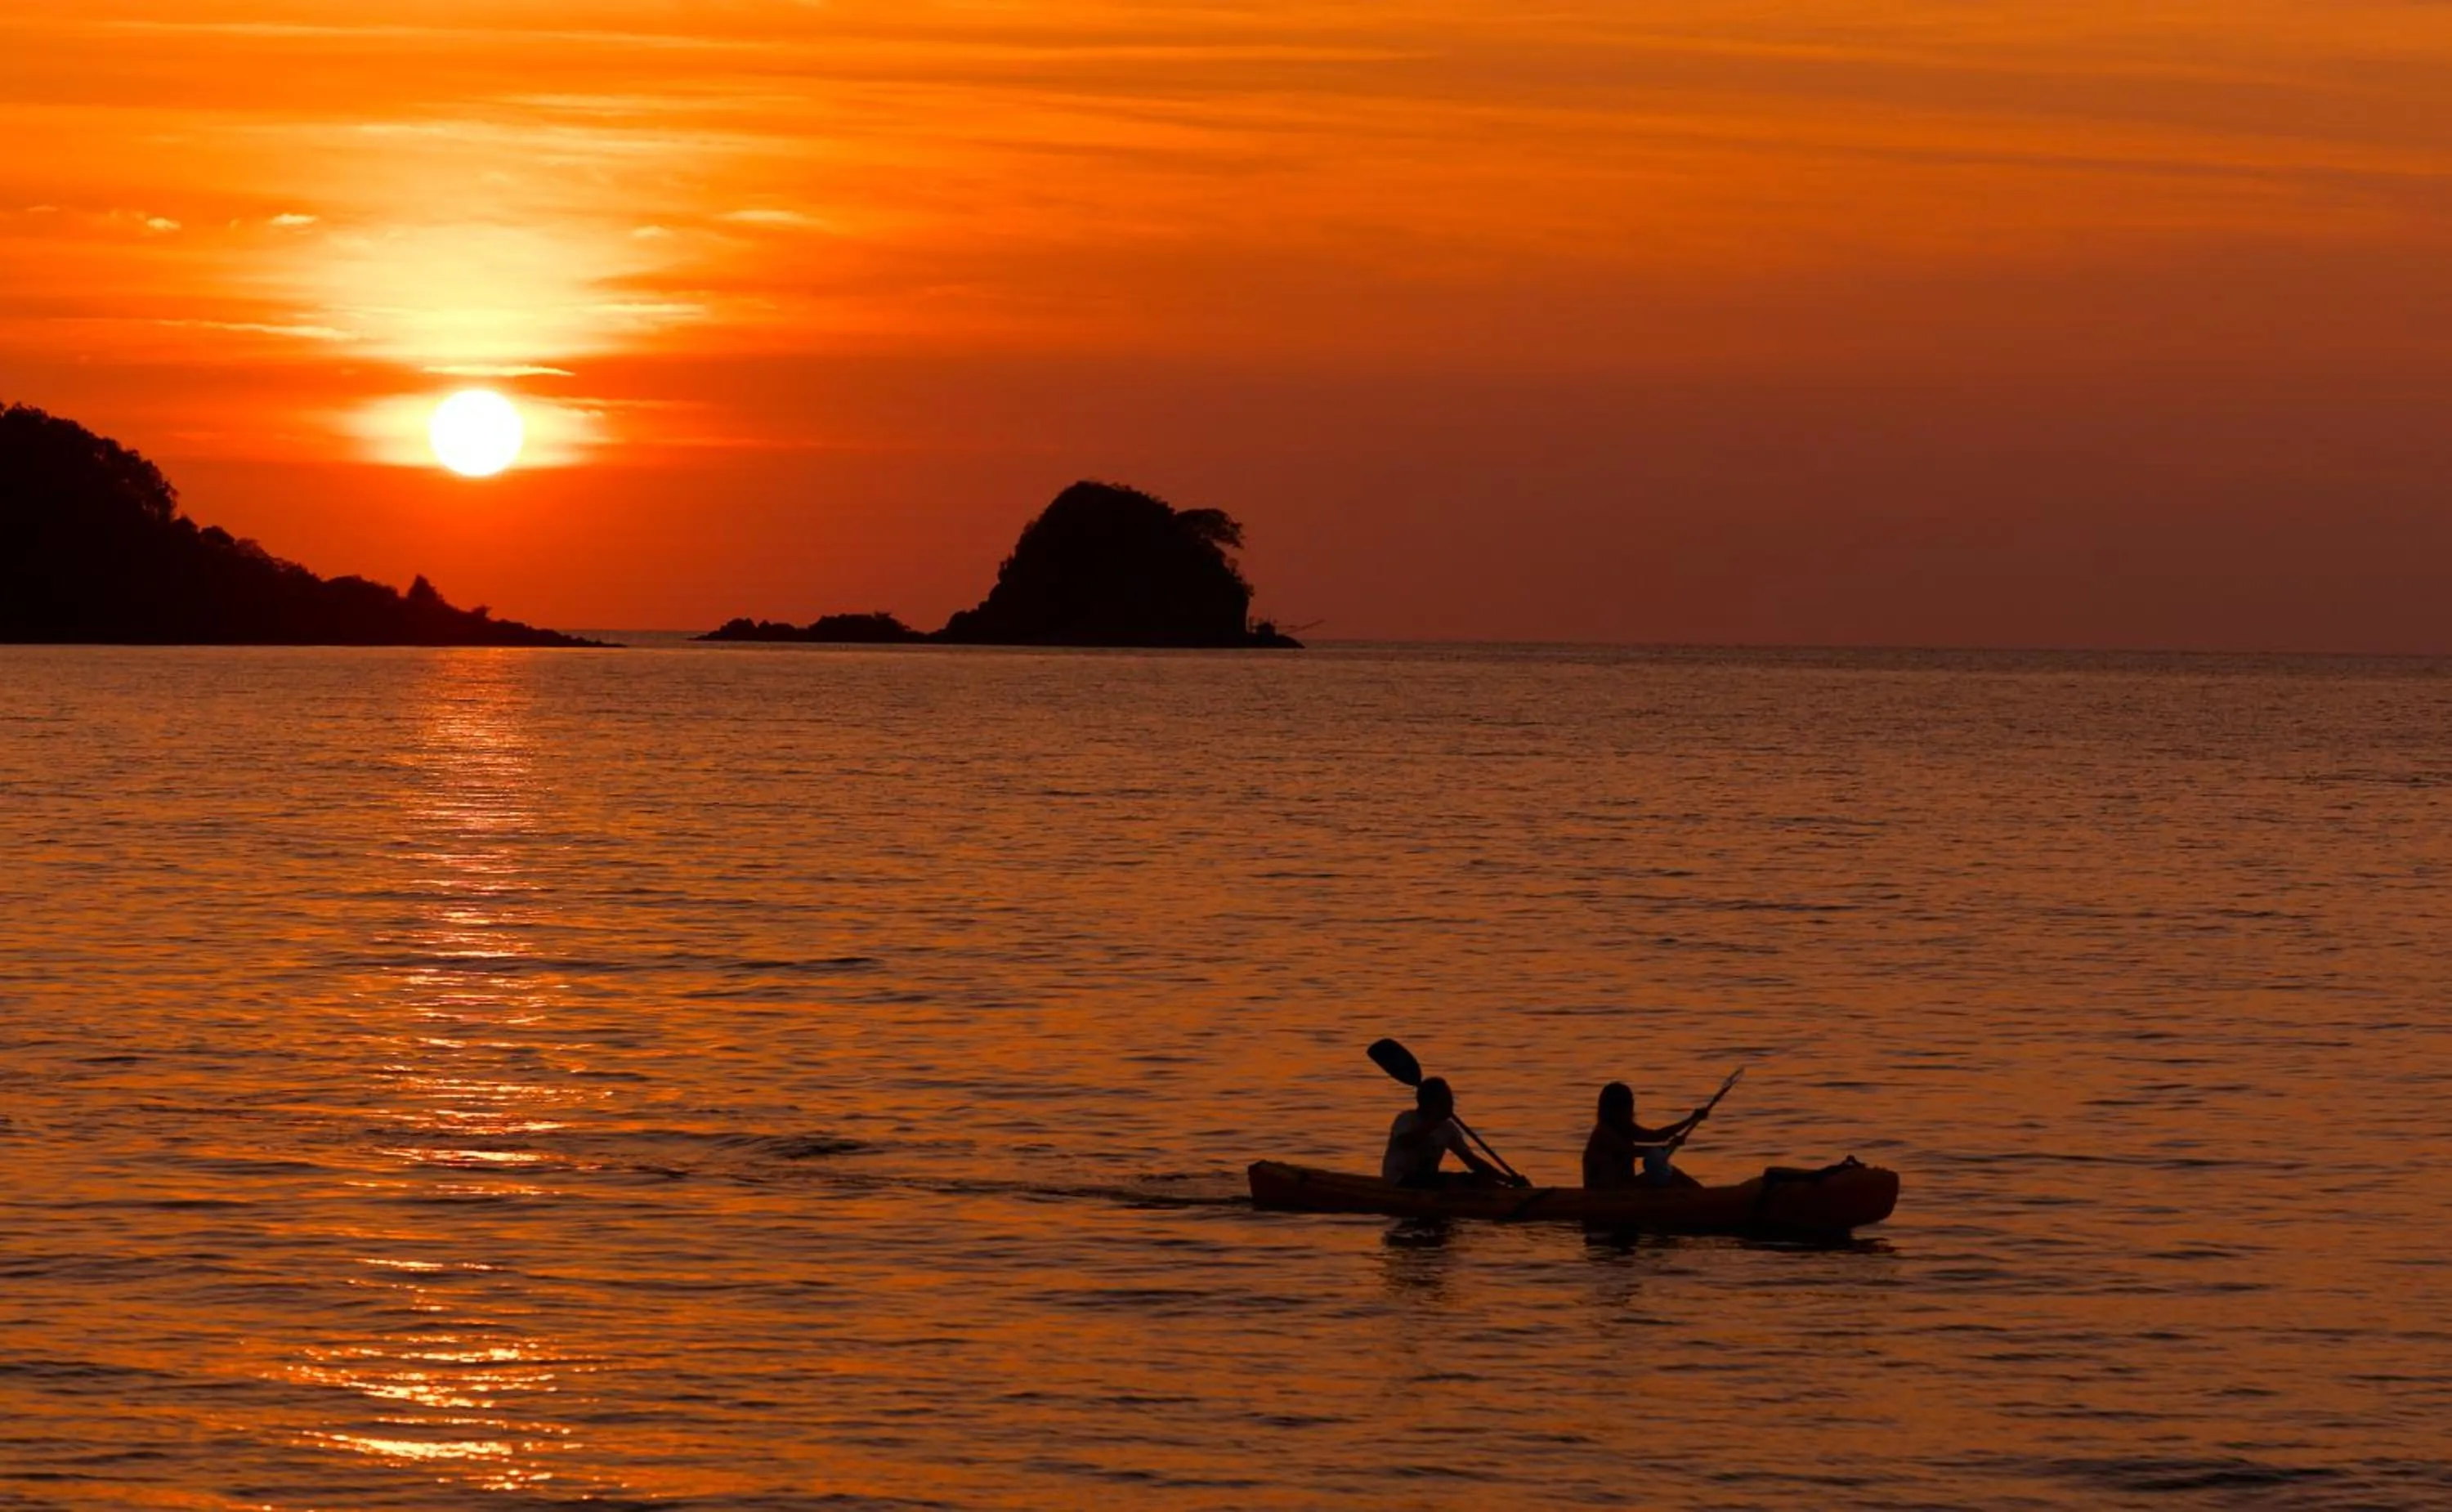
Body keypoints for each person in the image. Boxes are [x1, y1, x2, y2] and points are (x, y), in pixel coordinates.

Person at [1382, 1076, 1516, 1188]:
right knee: (1457, 1182)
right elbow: (1405, 1143)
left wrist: (1506, 1179)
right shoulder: (1407, 1119)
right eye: (1445, 1101)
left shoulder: (1448, 1128)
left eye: (1450, 1100)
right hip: (1400, 1180)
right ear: (1429, 1104)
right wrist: (1432, 1123)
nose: (1451, 1105)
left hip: (1428, 1180)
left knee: (1479, 1181)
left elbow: (1471, 1161)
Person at [1582, 1081, 1704, 1189]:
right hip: (1607, 1194)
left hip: (1625, 1189)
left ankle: (1703, 1196)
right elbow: (1633, 1151)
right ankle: (1703, 1198)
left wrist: (1690, 1120)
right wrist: (1667, 1146)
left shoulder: (1624, 1127)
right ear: (1613, 1110)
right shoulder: (1604, 1134)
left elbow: (1654, 1136)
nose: (1630, 1112)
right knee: (1672, 1177)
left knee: (1674, 1175)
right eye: (1626, 1108)